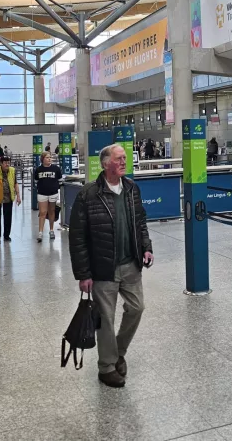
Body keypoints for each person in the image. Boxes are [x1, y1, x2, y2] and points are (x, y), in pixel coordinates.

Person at [70, 144, 153, 388]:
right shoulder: (88, 194)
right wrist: (83, 273)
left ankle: (118, 351)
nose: (124, 162)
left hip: (131, 264)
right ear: (106, 164)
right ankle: (106, 366)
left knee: (137, 308)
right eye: (119, 159)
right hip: (103, 268)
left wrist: (146, 247)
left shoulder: (131, 189)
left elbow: (140, 220)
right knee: (106, 318)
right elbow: (77, 237)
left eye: (125, 158)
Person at [34, 151, 62, 242]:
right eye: (47, 157)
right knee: (42, 212)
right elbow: (36, 181)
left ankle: (51, 230)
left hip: (53, 193)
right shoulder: (38, 169)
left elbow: (60, 180)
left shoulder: (56, 169)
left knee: (51, 211)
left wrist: (56, 187)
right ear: (42, 159)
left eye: (50, 157)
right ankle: (40, 232)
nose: (49, 159)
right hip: (42, 193)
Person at [0, 155, 20, 244]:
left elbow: (15, 183)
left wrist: (18, 196)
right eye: (5, 163)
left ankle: (6, 236)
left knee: (8, 217)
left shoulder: (12, 170)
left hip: (9, 196)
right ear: (1, 163)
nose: (7, 164)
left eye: (9, 162)